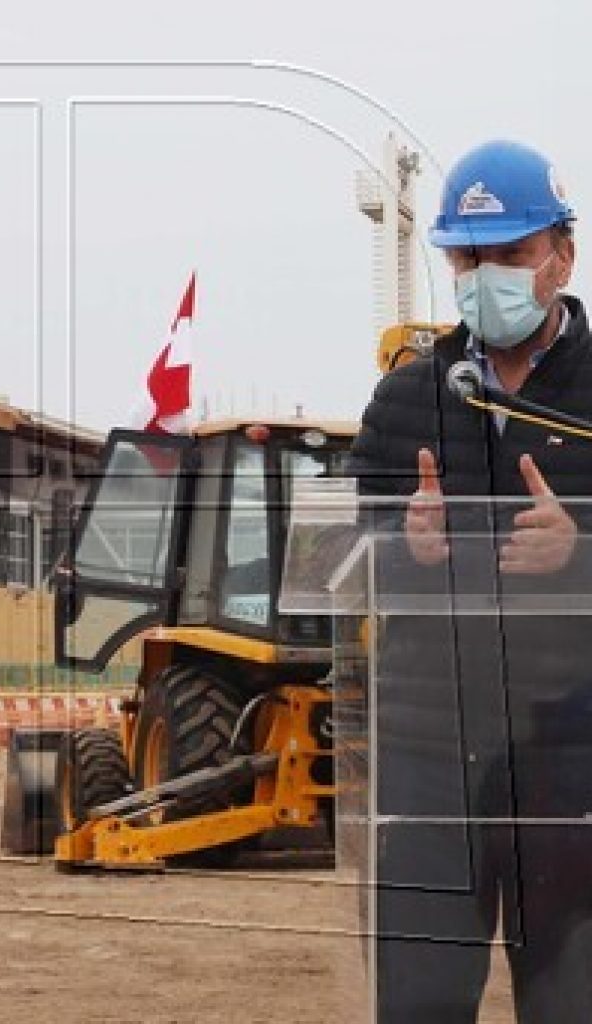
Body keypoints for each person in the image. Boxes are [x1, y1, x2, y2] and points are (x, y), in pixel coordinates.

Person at [349, 139, 592, 1021]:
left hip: (573, 768)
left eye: (511, 255)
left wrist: (580, 553)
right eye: (468, 257)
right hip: (428, 764)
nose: (485, 275)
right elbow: (342, 558)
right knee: (418, 1006)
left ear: (562, 254)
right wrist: (398, 544)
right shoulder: (405, 400)